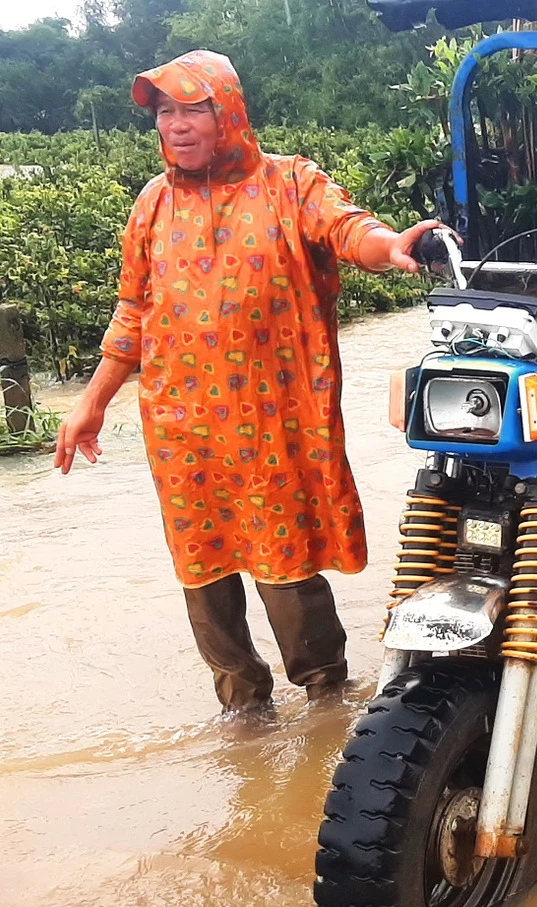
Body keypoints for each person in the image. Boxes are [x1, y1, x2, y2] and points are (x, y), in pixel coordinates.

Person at [53, 50, 447, 714]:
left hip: (273, 419)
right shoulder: (151, 204)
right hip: (181, 427)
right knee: (202, 569)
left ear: (228, 112)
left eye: (192, 109)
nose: (176, 126)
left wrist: (390, 247)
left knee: (285, 562)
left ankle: (327, 695)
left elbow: (348, 227)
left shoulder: (289, 184)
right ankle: (243, 708)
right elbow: (133, 312)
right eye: (166, 112)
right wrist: (90, 404)